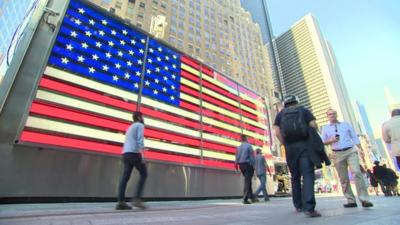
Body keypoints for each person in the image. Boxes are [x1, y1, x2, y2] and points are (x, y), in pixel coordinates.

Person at [274, 95, 321, 217]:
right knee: (307, 174)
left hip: (290, 148)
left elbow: (277, 133)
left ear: (285, 104)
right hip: (305, 145)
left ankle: (298, 205)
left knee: (295, 177)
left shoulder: (280, 115)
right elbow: (313, 125)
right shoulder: (304, 110)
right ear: (296, 102)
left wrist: (285, 144)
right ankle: (309, 208)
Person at [321, 109, 373, 208]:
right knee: (343, 178)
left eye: (334, 113)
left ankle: (364, 199)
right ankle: (350, 200)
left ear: (337, 115)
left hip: (350, 151)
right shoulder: (325, 128)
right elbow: (322, 142)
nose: (332, 115)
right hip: (337, 154)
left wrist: (360, 149)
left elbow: (354, 136)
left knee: (357, 172)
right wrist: (331, 140)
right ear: (327, 116)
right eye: (330, 114)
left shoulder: (345, 124)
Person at [116, 111, 148, 210]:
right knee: (144, 173)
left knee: (125, 177)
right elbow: (140, 140)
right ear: (138, 117)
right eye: (142, 117)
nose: (143, 118)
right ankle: (137, 199)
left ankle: (121, 202)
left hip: (126, 153)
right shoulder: (139, 125)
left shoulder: (129, 127)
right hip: (134, 153)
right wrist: (142, 154)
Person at [235, 134, 256, 204]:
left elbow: (236, 158)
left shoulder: (238, 147)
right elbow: (252, 157)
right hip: (248, 165)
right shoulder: (249, 146)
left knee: (248, 180)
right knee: (247, 181)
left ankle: (252, 197)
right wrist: (254, 166)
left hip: (241, 166)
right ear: (246, 139)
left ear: (241, 139)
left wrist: (236, 167)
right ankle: (245, 198)